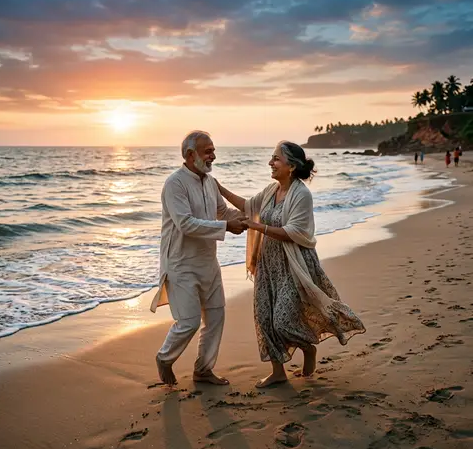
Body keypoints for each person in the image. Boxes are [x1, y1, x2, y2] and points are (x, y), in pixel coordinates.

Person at [217, 141, 366, 388]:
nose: (270, 163)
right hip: (269, 264)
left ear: (292, 167)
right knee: (265, 318)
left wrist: (257, 226)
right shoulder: (270, 191)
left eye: (275, 159)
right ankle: (278, 372)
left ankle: (308, 349)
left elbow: (293, 232)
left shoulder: (301, 195)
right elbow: (247, 206)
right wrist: (219, 188)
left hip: (294, 264)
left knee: (283, 320)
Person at [151, 131, 247, 386]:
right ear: (190, 154)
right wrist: (226, 227)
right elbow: (185, 224)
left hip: (209, 260)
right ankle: (164, 358)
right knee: (189, 322)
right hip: (181, 263)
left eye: (213, 150)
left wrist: (245, 218)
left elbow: (222, 211)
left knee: (216, 317)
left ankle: (203, 370)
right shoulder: (175, 184)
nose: (213, 155)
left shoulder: (210, 182)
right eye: (208, 151)